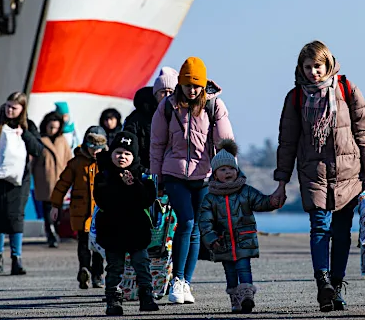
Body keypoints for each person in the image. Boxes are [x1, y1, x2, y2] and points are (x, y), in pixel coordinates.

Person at [274, 40, 365, 312]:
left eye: (317, 66)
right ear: (300, 68)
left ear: (328, 65)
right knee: (319, 227)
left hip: (349, 174)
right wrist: (281, 181)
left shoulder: (348, 90)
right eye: (308, 67)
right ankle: (323, 282)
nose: (313, 72)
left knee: (342, 232)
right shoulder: (295, 97)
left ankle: (336, 286)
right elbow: (287, 142)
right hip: (313, 173)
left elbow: (362, 133)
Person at [150, 56, 234, 304]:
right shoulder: (167, 106)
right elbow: (157, 144)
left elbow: (225, 141)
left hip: (204, 175)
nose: (192, 90)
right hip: (174, 174)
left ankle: (186, 282)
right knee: (186, 222)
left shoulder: (214, 105)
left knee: (196, 228)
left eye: (197, 85)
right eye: (188, 85)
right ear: (181, 83)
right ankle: (177, 279)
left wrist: (228, 170)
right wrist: (158, 178)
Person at [199, 139, 286, 313]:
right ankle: (235, 300)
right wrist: (211, 238)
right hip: (223, 243)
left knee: (244, 268)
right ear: (215, 174)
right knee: (230, 274)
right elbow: (205, 222)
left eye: (231, 168)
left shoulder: (245, 191)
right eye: (223, 169)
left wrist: (272, 202)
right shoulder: (210, 197)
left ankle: (247, 297)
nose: (228, 172)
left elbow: (261, 202)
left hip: (244, 240)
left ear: (237, 170)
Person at [94, 131, 159, 316]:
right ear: (111, 153)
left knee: (142, 264)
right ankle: (113, 300)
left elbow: (147, 199)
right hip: (112, 230)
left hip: (136, 230)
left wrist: (134, 184)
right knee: (114, 267)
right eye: (118, 152)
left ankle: (146, 296)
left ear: (134, 157)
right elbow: (101, 200)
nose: (122, 157)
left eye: (127, 154)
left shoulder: (143, 178)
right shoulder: (103, 176)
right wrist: (118, 184)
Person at [0, 92, 43, 275]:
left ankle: (16, 259)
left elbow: (38, 150)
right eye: (8, 105)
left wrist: (25, 134)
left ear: (22, 109)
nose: (9, 110)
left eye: (14, 107)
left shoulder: (29, 125)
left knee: (16, 217)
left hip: (19, 180)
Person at [50, 126, 107, 289]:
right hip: (81, 212)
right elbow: (62, 184)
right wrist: (55, 205)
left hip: (101, 213)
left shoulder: (108, 163)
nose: (95, 152)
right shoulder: (76, 163)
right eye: (92, 147)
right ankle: (85, 270)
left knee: (99, 246)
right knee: (83, 243)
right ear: (85, 145)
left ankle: (97, 274)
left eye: (99, 148)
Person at [32, 112, 72, 248]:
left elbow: (68, 158)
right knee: (48, 207)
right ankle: (51, 234)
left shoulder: (62, 140)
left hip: (60, 178)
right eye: (50, 127)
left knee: (58, 208)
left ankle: (55, 230)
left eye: (55, 127)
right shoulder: (39, 140)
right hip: (45, 178)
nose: (53, 130)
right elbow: (33, 160)